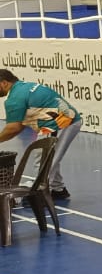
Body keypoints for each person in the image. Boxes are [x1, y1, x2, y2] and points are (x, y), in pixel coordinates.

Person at [0, 69, 81, 202]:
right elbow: (19, 125)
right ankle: (58, 189)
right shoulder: (23, 87)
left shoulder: (14, 98)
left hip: (60, 123)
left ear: (4, 83)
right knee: (48, 155)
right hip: (64, 120)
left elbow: (14, 128)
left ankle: (40, 194)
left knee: (43, 157)